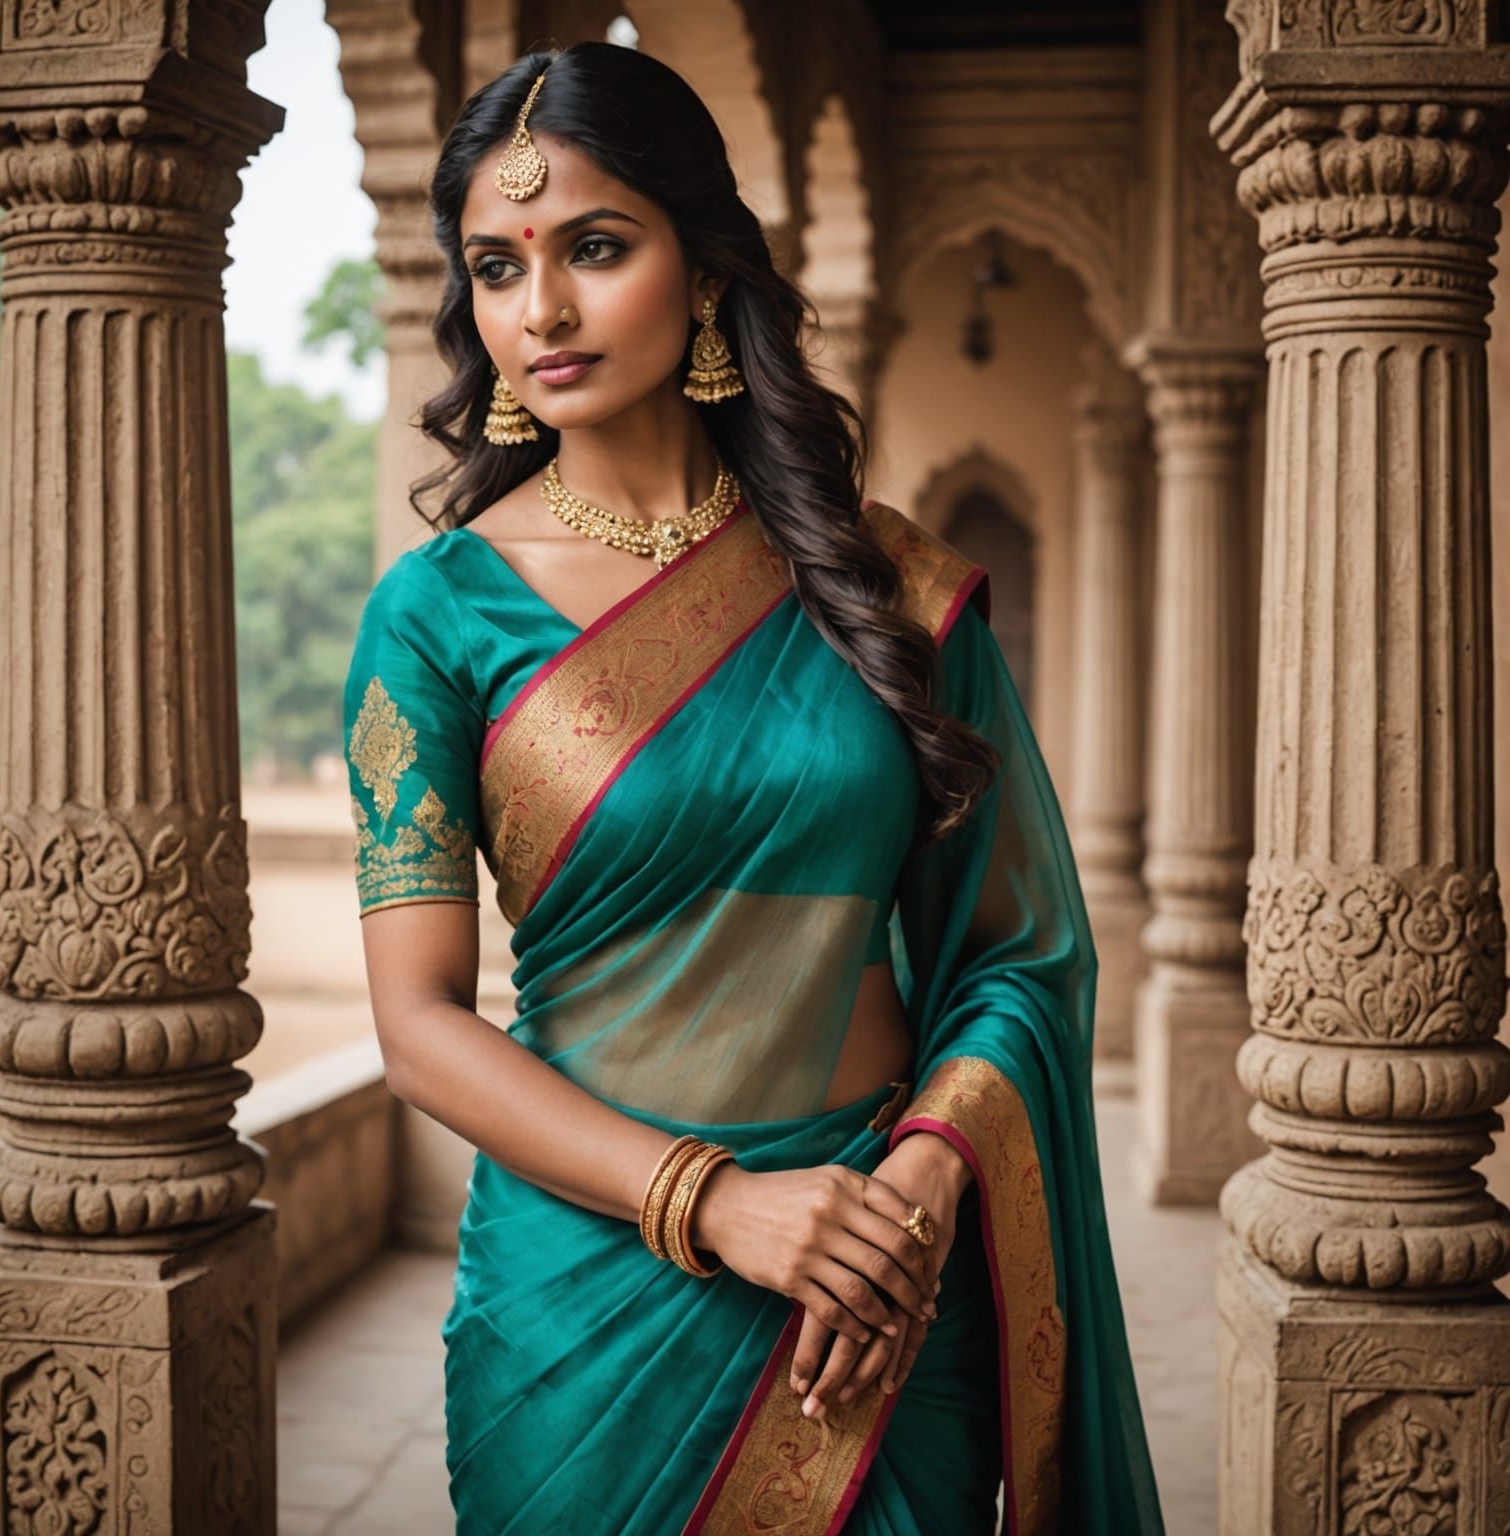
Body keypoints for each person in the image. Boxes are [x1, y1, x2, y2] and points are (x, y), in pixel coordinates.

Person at [343, 39, 1164, 1535]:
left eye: (597, 247)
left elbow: (1022, 953)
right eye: (498, 268)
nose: (542, 312)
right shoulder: (436, 615)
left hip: (871, 1271)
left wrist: (924, 1181)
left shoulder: (884, 588)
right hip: (584, 1304)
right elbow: (419, 1027)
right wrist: (715, 1202)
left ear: (709, 268)